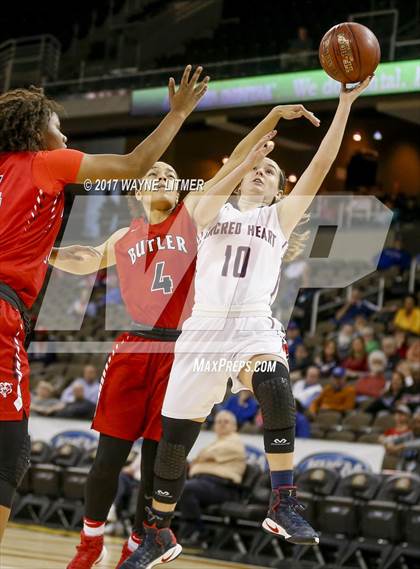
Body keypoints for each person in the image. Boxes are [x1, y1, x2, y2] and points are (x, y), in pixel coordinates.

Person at [121, 78, 371, 569]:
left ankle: (283, 501)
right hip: (203, 329)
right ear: (241, 175)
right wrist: (248, 153)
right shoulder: (211, 210)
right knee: (175, 440)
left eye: (272, 170)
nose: (262, 173)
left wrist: (345, 103)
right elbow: (223, 179)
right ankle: (158, 532)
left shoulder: (279, 219)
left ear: (280, 187)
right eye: (257, 167)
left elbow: (321, 164)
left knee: (276, 382)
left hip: (254, 323)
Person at [53, 102, 311, 568]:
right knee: (108, 456)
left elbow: (234, 165)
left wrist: (263, 135)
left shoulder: (197, 218)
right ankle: (89, 543)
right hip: (135, 344)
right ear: (138, 191)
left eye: (171, 172)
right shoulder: (124, 236)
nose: (164, 176)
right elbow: (87, 258)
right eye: (154, 172)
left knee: (159, 458)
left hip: (185, 345)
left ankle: (141, 542)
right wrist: (43, 253)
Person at [0, 67, 207, 543]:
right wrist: (177, 115)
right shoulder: (43, 162)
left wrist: (44, 255)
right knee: (9, 454)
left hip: (170, 346)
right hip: (7, 311)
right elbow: (135, 164)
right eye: (57, 126)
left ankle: (137, 538)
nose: (65, 134)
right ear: (36, 132)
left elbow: (77, 258)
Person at [178, 410, 246, 546]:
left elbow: (206, 455)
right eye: (218, 422)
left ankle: (200, 532)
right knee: (175, 488)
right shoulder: (216, 442)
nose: (221, 424)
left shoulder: (235, 441)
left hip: (224, 488)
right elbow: (200, 458)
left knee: (186, 488)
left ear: (234, 426)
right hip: (204, 483)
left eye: (226, 422)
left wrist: (201, 459)